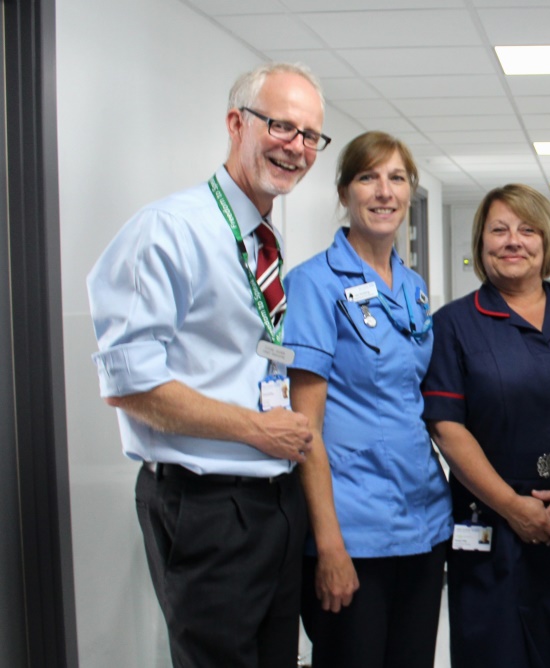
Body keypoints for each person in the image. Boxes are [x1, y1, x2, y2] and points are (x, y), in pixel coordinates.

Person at [87, 62, 326, 667]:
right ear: (235, 123)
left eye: (309, 136)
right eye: (281, 126)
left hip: (273, 500)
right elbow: (131, 385)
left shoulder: (259, 238)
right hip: (208, 507)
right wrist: (257, 428)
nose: (296, 147)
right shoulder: (169, 231)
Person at [283, 131, 452, 667]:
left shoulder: (412, 286)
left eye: (396, 178)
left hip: (423, 521)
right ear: (343, 192)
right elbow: (303, 428)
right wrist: (329, 544)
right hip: (352, 529)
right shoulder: (314, 284)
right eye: (368, 178)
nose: (384, 192)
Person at [424, 184, 550, 667]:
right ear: (481, 243)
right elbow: (446, 427)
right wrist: (512, 507)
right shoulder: (453, 325)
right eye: (499, 230)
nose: (513, 241)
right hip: (492, 524)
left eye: (527, 230)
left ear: (546, 241)